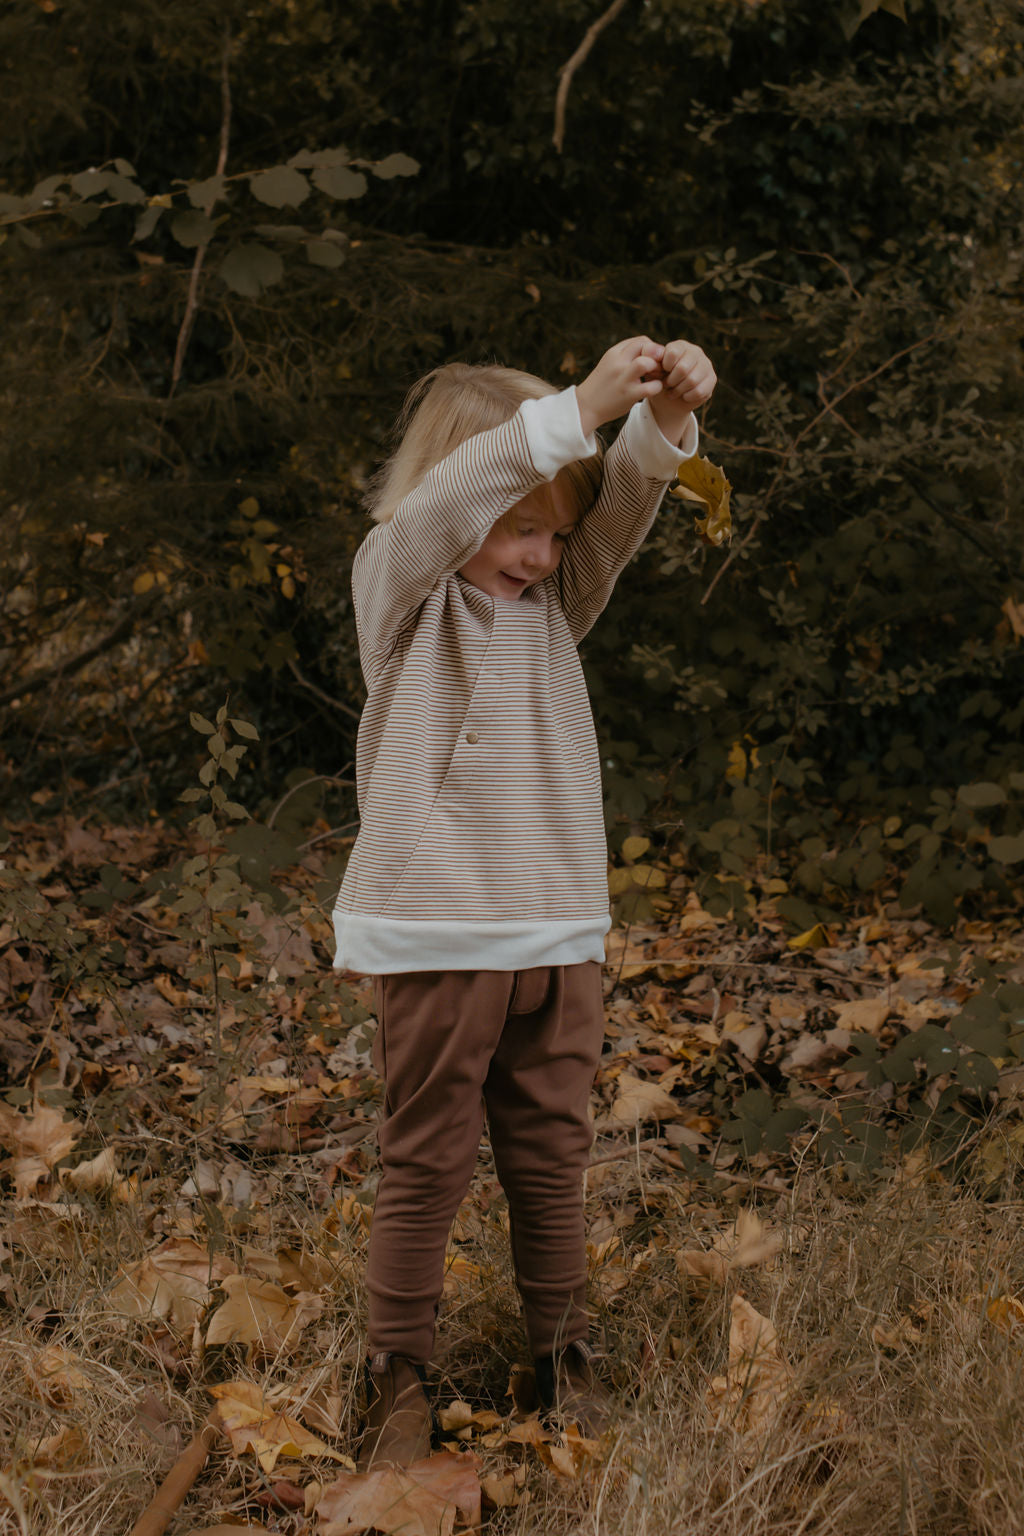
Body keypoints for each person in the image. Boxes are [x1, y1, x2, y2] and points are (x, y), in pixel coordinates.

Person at [332, 335, 717, 1467]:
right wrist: (572, 408)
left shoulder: (556, 604)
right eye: (522, 527)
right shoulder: (401, 590)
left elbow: (626, 505)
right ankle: (394, 1366)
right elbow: (452, 503)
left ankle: (562, 1354)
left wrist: (663, 415)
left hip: (557, 926)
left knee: (552, 1151)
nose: (545, 555)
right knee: (430, 1157)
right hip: (445, 929)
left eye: (556, 531)